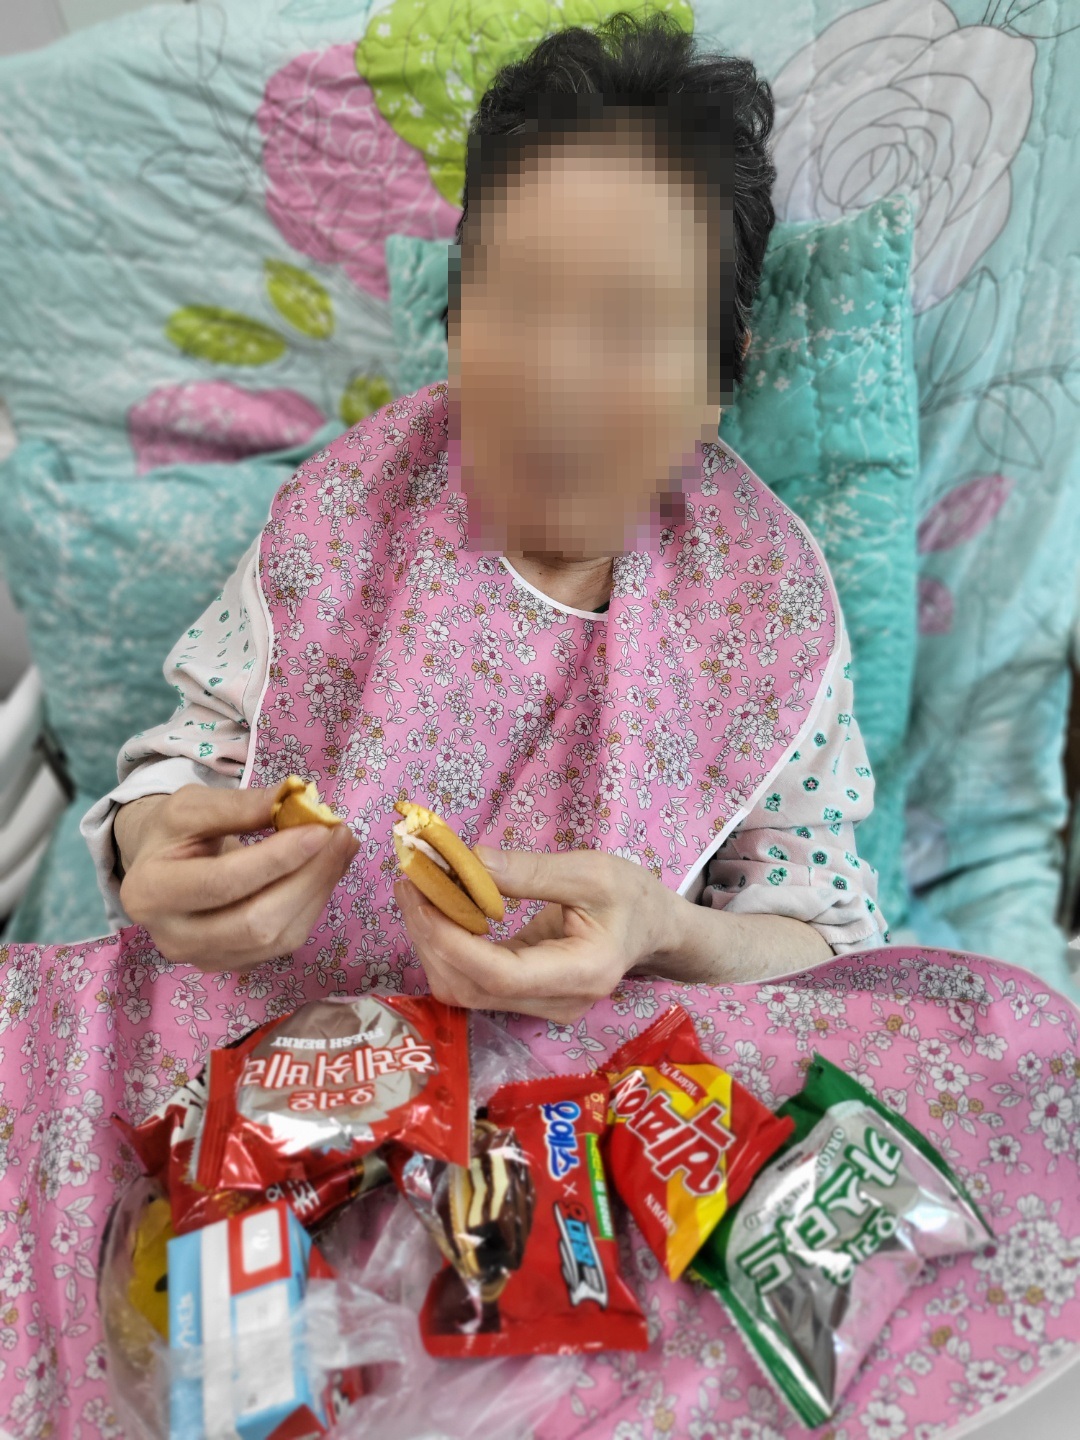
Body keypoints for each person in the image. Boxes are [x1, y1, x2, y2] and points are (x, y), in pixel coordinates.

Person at [82, 14, 887, 1025]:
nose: (557, 373)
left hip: (584, 1088)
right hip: (284, 1041)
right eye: (517, 298)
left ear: (718, 376)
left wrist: (667, 933)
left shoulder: (764, 604)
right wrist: (149, 843)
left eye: (631, 322)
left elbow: (829, 940)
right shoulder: (352, 510)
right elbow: (189, 766)